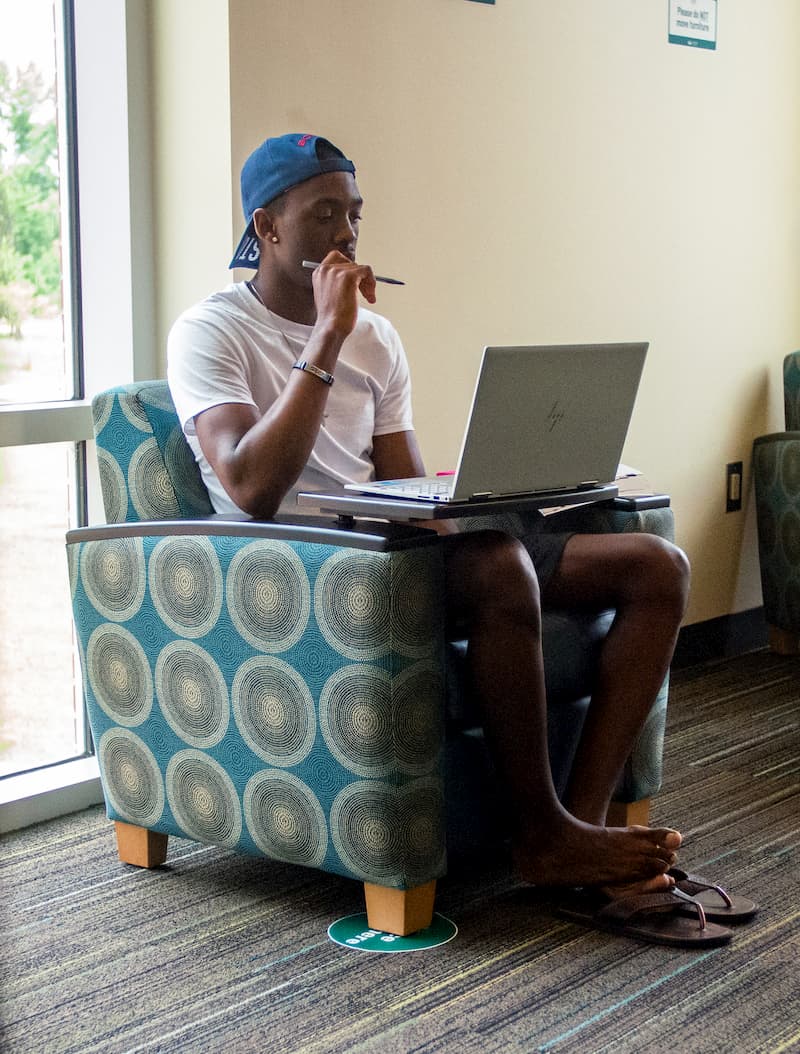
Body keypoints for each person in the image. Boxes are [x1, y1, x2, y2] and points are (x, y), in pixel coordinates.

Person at [168, 133, 751, 940]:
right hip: (313, 566)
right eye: (323, 214)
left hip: (401, 545)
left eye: (356, 216)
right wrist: (326, 338)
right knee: (499, 565)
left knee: (655, 567)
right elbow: (251, 487)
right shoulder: (212, 331)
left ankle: (569, 834)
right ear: (266, 228)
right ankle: (549, 832)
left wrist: (487, 489)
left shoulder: (380, 338)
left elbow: (402, 483)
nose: (345, 236)